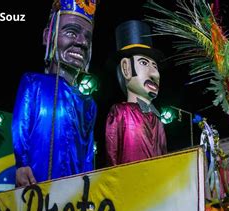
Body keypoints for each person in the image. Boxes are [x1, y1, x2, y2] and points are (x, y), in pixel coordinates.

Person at [12, 0, 98, 187]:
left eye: (87, 38)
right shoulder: (33, 83)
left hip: (74, 196)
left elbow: (88, 151)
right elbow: (21, 125)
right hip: (34, 188)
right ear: (47, 36)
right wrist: (22, 164)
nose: (81, 42)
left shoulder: (88, 102)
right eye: (71, 32)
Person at [105, 20, 167, 166]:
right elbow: (112, 157)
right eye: (144, 63)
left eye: (155, 66)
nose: (155, 74)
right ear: (126, 68)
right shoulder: (120, 113)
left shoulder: (157, 119)